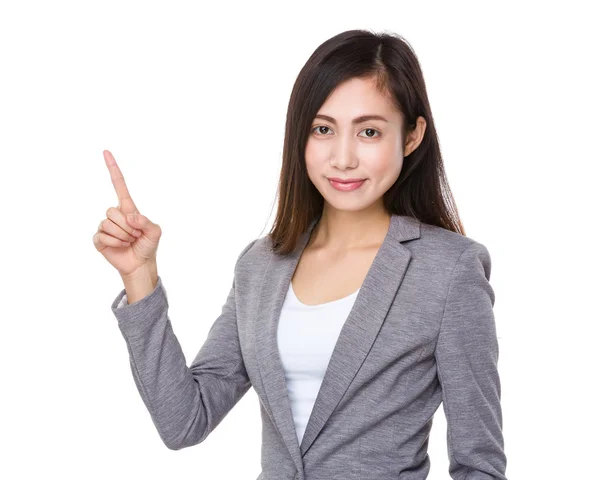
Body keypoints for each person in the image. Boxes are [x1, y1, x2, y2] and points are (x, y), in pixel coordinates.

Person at [93, 29, 507, 480]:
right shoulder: (261, 264)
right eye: (323, 129)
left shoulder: (449, 269)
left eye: (369, 131)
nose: (343, 158)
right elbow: (184, 422)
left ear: (411, 137)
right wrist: (140, 277)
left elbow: (478, 464)